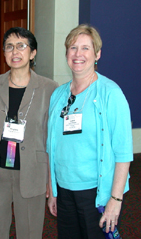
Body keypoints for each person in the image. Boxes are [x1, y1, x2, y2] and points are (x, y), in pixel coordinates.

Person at [47, 24, 133, 238]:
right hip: (64, 189)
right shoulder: (58, 95)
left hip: (96, 192)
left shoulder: (110, 93)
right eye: (73, 48)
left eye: (86, 48)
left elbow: (123, 152)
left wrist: (115, 199)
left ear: (97, 54)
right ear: (66, 53)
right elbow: (52, 146)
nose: (78, 54)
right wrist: (52, 190)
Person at [0, 27, 58, 238]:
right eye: (9, 47)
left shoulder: (49, 88)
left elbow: (51, 138)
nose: (15, 52)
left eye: (21, 46)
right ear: (4, 52)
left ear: (33, 52)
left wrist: (51, 179)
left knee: (29, 231)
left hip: (31, 171)